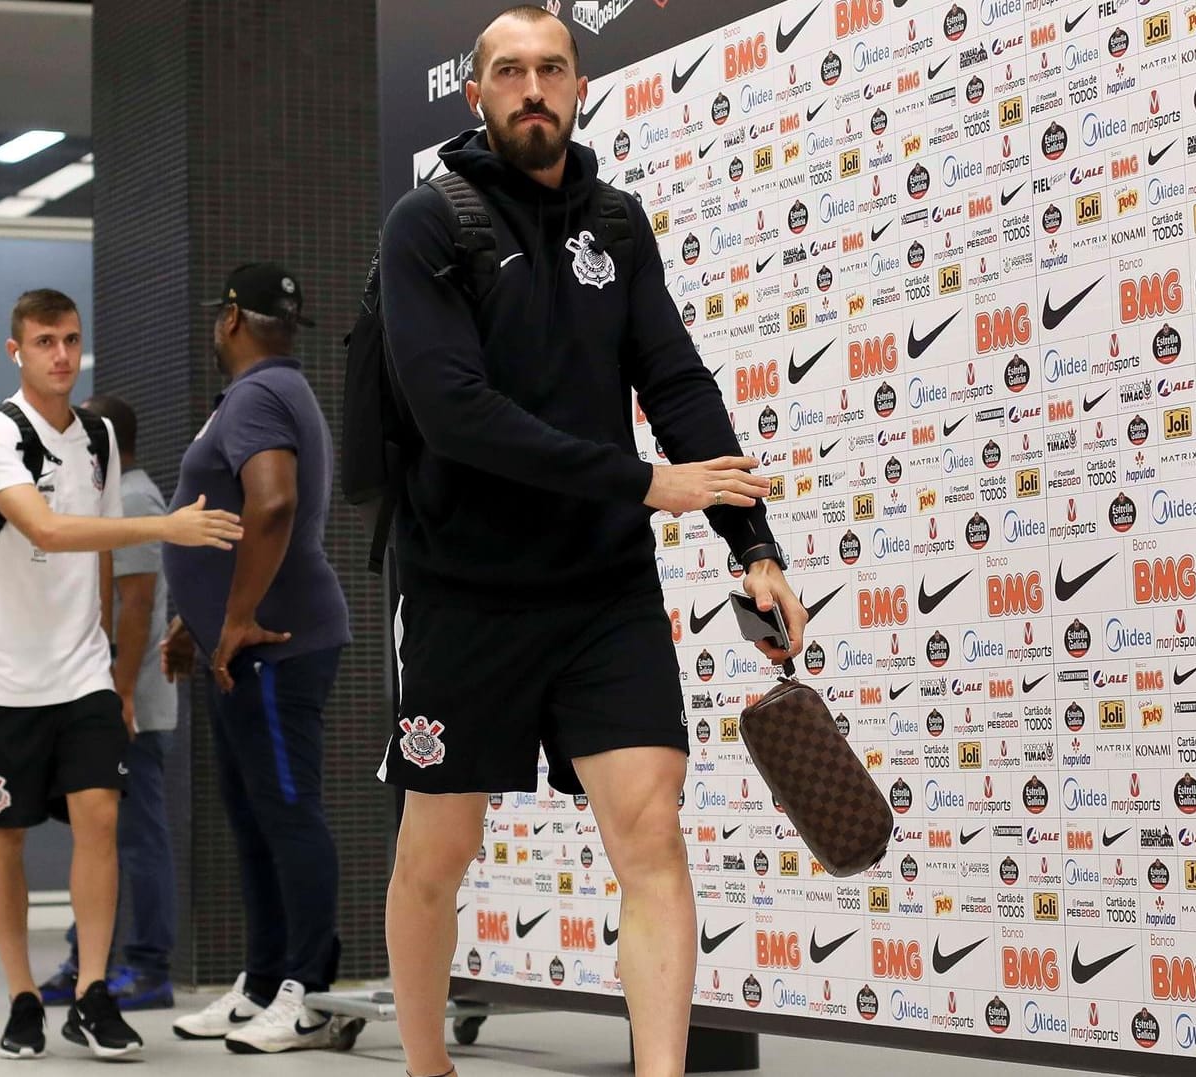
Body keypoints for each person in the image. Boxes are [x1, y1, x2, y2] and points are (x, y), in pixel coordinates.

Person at [374, 9, 808, 1077]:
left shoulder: (616, 224)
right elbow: (454, 413)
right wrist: (643, 482)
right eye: (509, 72)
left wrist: (753, 544)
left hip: (601, 591)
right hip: (462, 590)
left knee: (650, 831)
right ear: (476, 95)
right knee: (440, 850)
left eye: (551, 69)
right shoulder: (425, 225)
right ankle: (426, 1068)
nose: (533, 87)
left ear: (579, 87)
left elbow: (673, 381)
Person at [0, 289, 243, 1060]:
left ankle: (92, 993)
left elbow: (104, 553)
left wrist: (114, 671)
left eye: (71, 340)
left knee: (103, 819)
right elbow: (46, 526)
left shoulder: (100, 440)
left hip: (80, 671)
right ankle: (21, 996)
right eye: (44, 341)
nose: (61, 355)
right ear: (16, 351)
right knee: (2, 834)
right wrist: (168, 525)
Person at [160, 263, 353, 1054]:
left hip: (274, 645)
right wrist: (194, 618)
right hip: (244, 647)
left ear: (232, 317)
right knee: (253, 819)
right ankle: (265, 979)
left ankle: (308, 991)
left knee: (287, 812)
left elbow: (271, 501)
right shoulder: (274, 391)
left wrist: (235, 618)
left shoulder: (256, 396)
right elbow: (233, 520)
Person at [36, 394, 181, 1011]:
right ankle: (86, 961)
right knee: (97, 837)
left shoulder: (138, 499)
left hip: (133, 706)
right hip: (96, 698)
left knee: (138, 837)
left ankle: (147, 969)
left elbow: (139, 605)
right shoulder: (103, 501)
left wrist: (120, 693)